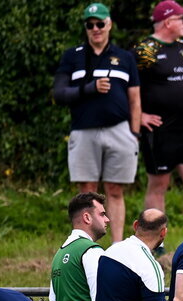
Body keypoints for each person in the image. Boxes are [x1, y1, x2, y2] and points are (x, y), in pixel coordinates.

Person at [53, 3, 141, 244]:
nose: (96, 28)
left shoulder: (125, 57)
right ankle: (86, 245)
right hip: (83, 131)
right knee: (87, 192)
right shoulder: (73, 56)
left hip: (119, 131)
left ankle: (116, 246)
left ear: (109, 24)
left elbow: (135, 99)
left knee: (115, 190)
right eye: (90, 24)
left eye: (100, 23)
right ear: (86, 27)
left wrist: (134, 133)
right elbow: (59, 93)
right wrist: (90, 88)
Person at [135, 1, 183, 242]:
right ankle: (155, 241)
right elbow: (129, 86)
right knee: (159, 184)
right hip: (159, 128)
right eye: (181, 18)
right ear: (168, 21)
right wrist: (139, 116)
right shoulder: (145, 50)